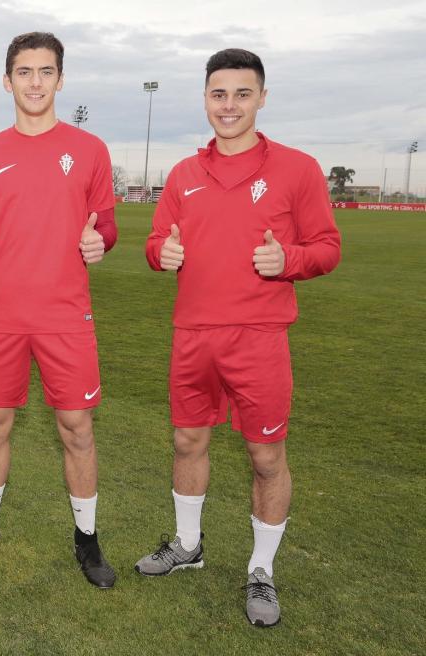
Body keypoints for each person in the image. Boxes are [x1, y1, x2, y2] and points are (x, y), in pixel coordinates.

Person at [136, 48, 341, 628]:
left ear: (262, 98)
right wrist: (161, 254)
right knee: (186, 443)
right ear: (205, 99)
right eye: (218, 94)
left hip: (259, 336)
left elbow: (328, 247)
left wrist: (290, 259)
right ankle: (187, 545)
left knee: (265, 454)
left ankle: (262, 570)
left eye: (241, 94)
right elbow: (156, 243)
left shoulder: (297, 169)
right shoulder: (182, 174)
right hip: (193, 334)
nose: (229, 106)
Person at [0, 32, 118, 588]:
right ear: (8, 80)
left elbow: (106, 225)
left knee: (77, 428)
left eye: (46, 71)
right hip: (1, 314)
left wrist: (102, 242)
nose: (36, 82)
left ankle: (87, 540)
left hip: (66, 314)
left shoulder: (90, 150)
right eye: (25, 72)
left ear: (61, 80)